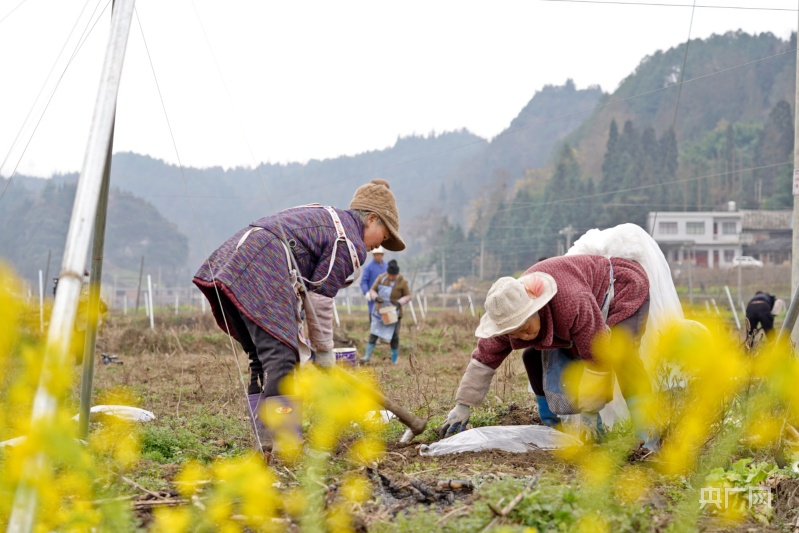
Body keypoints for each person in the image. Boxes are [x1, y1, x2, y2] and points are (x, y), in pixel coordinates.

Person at [193, 178, 405, 452]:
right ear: (372, 219)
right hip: (262, 265)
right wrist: (325, 351)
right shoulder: (348, 240)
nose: (379, 246)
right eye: (384, 236)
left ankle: (265, 439)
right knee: (283, 356)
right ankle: (284, 443)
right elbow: (320, 299)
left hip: (231, 260)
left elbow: (308, 294)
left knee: (263, 357)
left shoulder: (329, 219)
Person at [440, 254, 658, 452]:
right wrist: (463, 405)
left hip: (617, 288)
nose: (524, 336)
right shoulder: (506, 315)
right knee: (532, 356)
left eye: (526, 328)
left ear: (537, 308)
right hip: (584, 305)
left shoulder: (571, 302)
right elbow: (483, 362)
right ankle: (555, 424)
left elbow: (596, 359)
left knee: (622, 354)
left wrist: (590, 413)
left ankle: (647, 432)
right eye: (515, 334)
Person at [360, 259, 412, 364]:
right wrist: (376, 298)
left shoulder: (403, 282)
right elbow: (372, 290)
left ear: (397, 275)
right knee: (374, 334)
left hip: (394, 313)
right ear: (387, 273)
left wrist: (400, 302)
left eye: (393, 276)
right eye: (389, 275)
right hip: (380, 311)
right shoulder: (381, 278)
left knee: (394, 336)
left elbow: (408, 296)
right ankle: (367, 356)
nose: (391, 278)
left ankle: (394, 360)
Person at [360, 246, 387, 317]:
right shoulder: (369, 267)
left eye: (379, 254)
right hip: (373, 297)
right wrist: (366, 292)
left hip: (385, 297)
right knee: (373, 314)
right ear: (373, 255)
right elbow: (364, 281)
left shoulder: (387, 266)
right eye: (376, 254)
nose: (377, 256)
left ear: (382, 255)